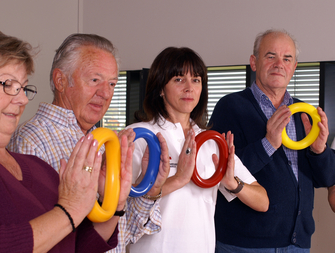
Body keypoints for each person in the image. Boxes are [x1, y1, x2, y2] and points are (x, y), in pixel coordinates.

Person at [0, 25, 128, 253]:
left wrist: (114, 205)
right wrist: (69, 211)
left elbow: (75, 248)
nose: (22, 100)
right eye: (7, 85)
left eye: (23, 88)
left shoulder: (38, 168)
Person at [8, 33, 170, 252]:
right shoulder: (32, 140)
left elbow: (124, 235)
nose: (105, 93)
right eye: (95, 80)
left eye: (112, 83)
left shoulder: (103, 142)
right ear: (61, 81)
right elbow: (41, 243)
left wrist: (151, 187)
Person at [127, 47, 269, 253]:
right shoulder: (139, 136)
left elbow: (262, 201)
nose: (189, 88)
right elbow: (120, 206)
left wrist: (232, 183)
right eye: (178, 79)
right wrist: (178, 180)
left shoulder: (212, 141)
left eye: (196, 80)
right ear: (160, 87)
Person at [209, 29, 335, 252]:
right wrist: (268, 143)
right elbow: (220, 171)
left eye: (287, 58)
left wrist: (319, 150)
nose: (279, 64)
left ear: (294, 67)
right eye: (271, 56)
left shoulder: (304, 113)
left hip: (297, 243)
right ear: (254, 62)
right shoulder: (230, 107)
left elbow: (326, 179)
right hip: (244, 245)